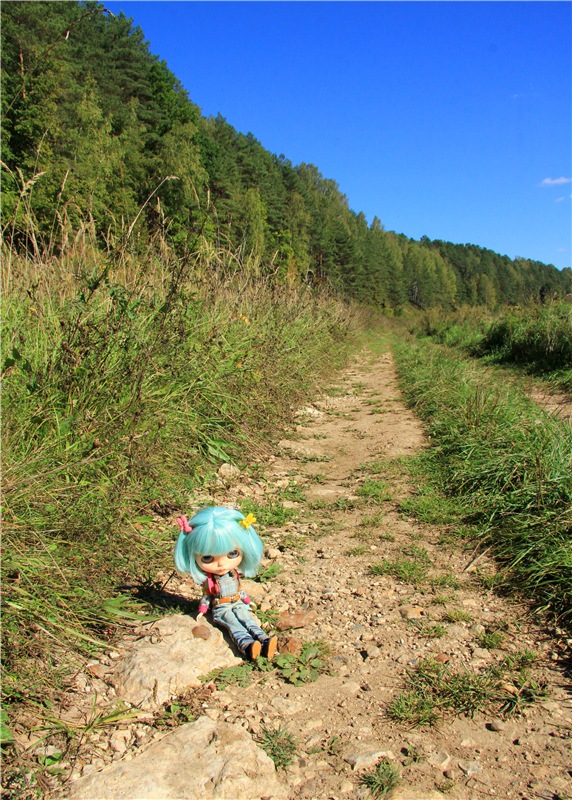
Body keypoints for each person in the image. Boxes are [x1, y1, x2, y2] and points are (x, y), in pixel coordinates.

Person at [174, 506, 278, 661]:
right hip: (221, 607)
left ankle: (264, 640)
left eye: (232, 554)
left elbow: (240, 590)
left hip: (237, 602)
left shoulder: (233, 574)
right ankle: (247, 646)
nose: (221, 564)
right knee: (234, 624)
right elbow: (207, 596)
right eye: (208, 558)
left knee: (247, 619)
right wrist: (202, 609)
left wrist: (248, 601)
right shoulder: (211, 581)